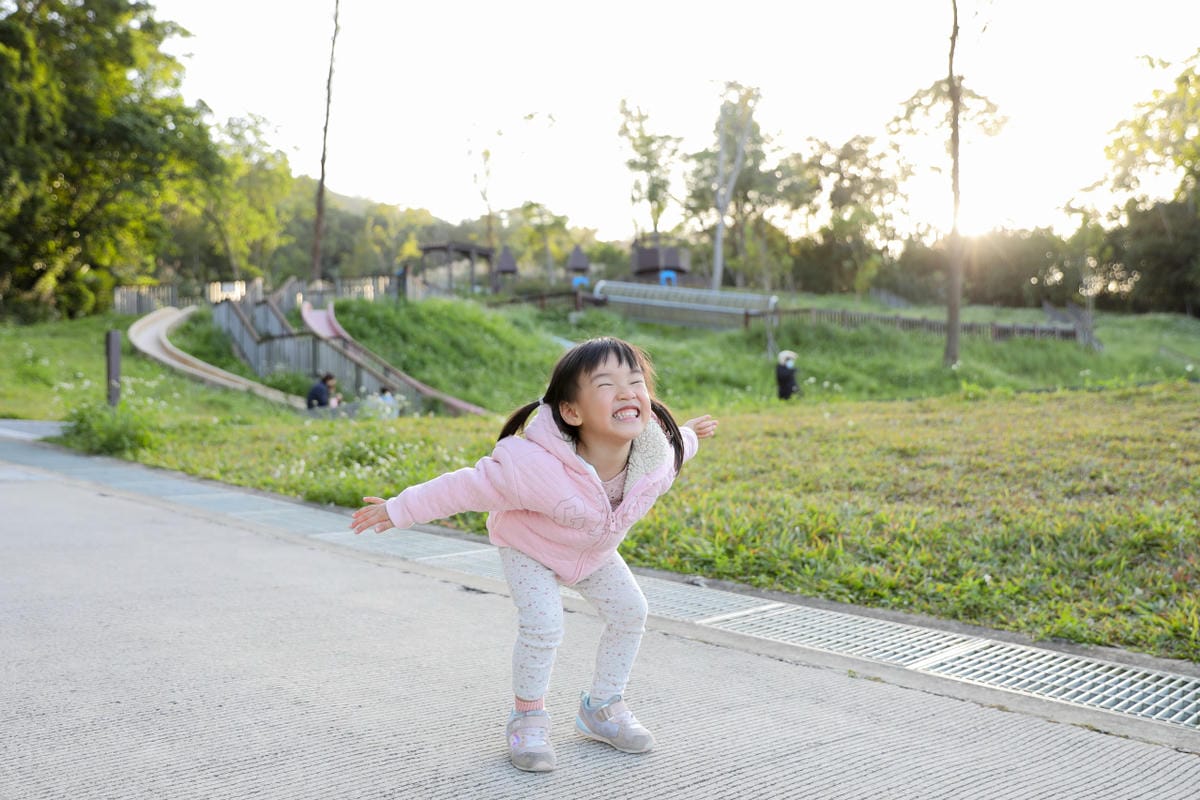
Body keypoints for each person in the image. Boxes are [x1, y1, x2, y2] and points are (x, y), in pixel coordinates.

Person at [350, 337, 718, 773]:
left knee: (630, 612)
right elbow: (464, 486)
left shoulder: (658, 455)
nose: (627, 392)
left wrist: (690, 432)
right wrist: (398, 509)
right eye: (607, 384)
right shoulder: (531, 467)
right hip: (531, 548)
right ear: (571, 411)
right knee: (544, 625)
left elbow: (681, 446)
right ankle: (528, 717)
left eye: (635, 382)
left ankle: (602, 707)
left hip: (590, 553)